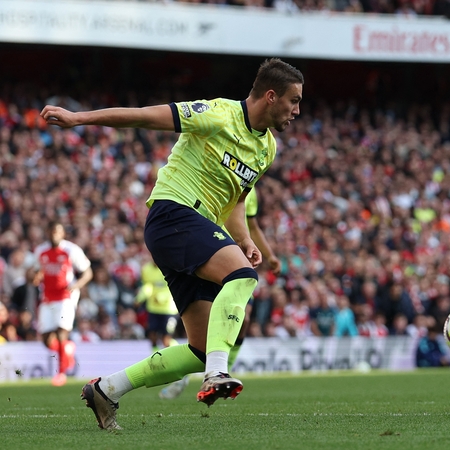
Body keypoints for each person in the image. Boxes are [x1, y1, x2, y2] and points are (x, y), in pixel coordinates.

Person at [41, 57, 303, 430]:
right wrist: (79, 118)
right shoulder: (217, 114)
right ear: (272, 96)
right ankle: (216, 373)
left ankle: (108, 390)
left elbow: (237, 199)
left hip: (193, 230)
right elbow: (145, 116)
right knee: (242, 278)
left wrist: (244, 238)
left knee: (199, 347)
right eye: (294, 101)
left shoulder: (267, 149)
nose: (298, 110)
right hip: (173, 214)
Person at [158, 187, 282, 399]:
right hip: (210, 253)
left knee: (243, 319)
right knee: (200, 343)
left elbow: (252, 226)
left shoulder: (248, 190)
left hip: (234, 261)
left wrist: (270, 256)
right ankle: (193, 375)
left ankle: (221, 372)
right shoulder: (215, 177)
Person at [33, 221, 94, 386]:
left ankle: (60, 374)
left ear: (62, 234)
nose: (54, 234)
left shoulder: (71, 250)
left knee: (61, 333)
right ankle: (67, 350)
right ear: (47, 232)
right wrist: (34, 277)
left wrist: (76, 285)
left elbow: (88, 272)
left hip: (66, 297)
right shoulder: (40, 251)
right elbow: (34, 272)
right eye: (52, 231)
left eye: (57, 232)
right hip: (46, 298)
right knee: (46, 339)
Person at [136, 256, 180, 352]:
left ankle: (174, 351)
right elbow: (147, 286)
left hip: (169, 308)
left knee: (166, 337)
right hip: (153, 308)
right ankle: (154, 355)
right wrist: (140, 298)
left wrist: (161, 297)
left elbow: (173, 286)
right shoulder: (146, 269)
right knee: (152, 334)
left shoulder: (170, 268)